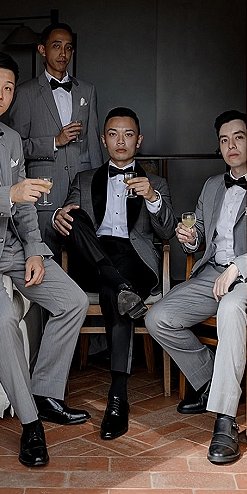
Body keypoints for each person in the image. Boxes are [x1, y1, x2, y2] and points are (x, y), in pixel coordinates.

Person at [0, 50, 91, 469]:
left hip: (15, 246)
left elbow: (24, 207)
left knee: (73, 302)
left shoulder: (13, 139)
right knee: (3, 323)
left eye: (8, 88)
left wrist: (34, 248)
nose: (0, 94)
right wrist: (9, 194)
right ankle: (31, 424)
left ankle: (46, 393)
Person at [53, 107, 176, 441]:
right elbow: (66, 225)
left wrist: (152, 198)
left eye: (128, 134)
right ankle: (118, 396)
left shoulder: (156, 183)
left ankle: (117, 395)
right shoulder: (84, 179)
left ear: (139, 140)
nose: (121, 141)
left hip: (135, 260)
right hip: (94, 258)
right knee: (75, 217)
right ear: (103, 140)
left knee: (116, 292)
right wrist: (58, 217)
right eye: (113, 134)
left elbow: (167, 232)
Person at [146, 110, 247, 465]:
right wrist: (189, 238)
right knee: (158, 318)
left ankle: (225, 420)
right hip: (211, 274)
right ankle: (211, 382)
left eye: (239, 137)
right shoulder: (212, 185)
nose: (231, 146)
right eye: (224, 140)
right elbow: (200, 237)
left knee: (231, 308)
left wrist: (237, 268)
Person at [8, 22, 103, 254]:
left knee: (84, 254)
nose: (63, 53)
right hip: (45, 190)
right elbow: (14, 148)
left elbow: (92, 142)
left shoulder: (87, 90)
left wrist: (99, 186)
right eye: (56, 46)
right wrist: (54, 142)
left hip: (82, 186)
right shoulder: (25, 93)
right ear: (42, 49)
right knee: (44, 255)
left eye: (68, 47)